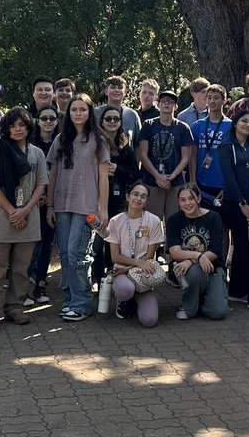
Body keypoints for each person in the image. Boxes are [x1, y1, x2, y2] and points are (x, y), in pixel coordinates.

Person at [0, 107, 48, 331]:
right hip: (4, 216)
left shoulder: (37, 153)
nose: (17, 129)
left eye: (21, 125)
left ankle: (15, 307)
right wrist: (13, 212)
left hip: (29, 217)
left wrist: (25, 210)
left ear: (29, 127)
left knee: (21, 269)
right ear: (6, 129)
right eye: (12, 125)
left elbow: (41, 185)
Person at [46, 93, 110, 321]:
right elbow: (52, 173)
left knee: (77, 253)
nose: (78, 113)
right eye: (74, 109)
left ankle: (82, 303)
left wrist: (103, 209)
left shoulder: (98, 140)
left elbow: (104, 177)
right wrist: (50, 205)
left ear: (89, 112)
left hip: (87, 207)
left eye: (83, 109)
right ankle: (70, 300)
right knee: (64, 254)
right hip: (62, 205)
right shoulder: (60, 139)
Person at [218, 113, 249, 313]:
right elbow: (229, 179)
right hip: (235, 204)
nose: (247, 125)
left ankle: (237, 290)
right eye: (243, 121)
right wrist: (242, 203)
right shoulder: (226, 147)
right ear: (235, 124)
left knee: (243, 247)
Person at [93, 104, 140, 285]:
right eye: (108, 119)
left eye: (116, 119)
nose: (112, 122)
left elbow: (135, 174)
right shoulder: (96, 144)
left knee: (116, 240)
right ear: (102, 122)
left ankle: (116, 275)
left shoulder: (125, 146)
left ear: (120, 122)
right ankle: (97, 277)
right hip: (98, 198)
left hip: (119, 199)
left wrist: (117, 169)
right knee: (98, 240)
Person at [106, 182, 165, 326]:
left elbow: (150, 256)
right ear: (127, 196)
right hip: (122, 271)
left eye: (143, 196)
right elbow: (115, 257)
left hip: (143, 272)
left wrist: (133, 267)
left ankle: (140, 295)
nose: (138, 199)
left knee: (149, 320)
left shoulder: (154, 221)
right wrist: (135, 264)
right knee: (125, 289)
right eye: (135, 194)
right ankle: (125, 300)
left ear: (147, 201)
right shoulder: (115, 221)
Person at [167, 185, 228, 320]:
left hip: (213, 268)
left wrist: (192, 260)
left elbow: (215, 251)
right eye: (182, 200)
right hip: (185, 269)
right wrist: (197, 257)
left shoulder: (214, 217)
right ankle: (189, 307)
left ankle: (201, 301)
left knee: (218, 312)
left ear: (199, 198)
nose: (187, 203)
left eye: (191, 198)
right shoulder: (174, 220)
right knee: (195, 272)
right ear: (178, 202)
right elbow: (175, 252)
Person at [135, 89, 194, 222]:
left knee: (173, 221)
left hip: (175, 182)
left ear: (176, 106)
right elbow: (143, 155)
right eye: (164, 101)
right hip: (152, 181)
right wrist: (158, 176)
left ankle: (172, 244)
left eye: (171, 102)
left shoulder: (183, 128)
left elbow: (186, 158)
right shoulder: (148, 125)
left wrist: (170, 178)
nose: (167, 104)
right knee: (152, 221)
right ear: (159, 104)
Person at [24, 104, 61, 306]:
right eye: (44, 118)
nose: (48, 122)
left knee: (47, 244)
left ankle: (40, 283)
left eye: (51, 119)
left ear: (57, 121)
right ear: (37, 121)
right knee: (32, 245)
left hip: (52, 203)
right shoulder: (29, 142)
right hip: (32, 203)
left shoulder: (61, 143)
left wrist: (51, 199)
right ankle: (24, 287)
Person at [189, 83, 231, 208]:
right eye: (209, 97)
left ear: (224, 100)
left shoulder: (231, 126)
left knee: (222, 225)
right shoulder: (197, 126)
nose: (212, 101)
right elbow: (193, 156)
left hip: (223, 184)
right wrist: (192, 180)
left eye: (216, 98)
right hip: (202, 183)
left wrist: (229, 185)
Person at [97, 75, 141, 141]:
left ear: (125, 92)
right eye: (113, 87)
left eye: (120, 88)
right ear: (106, 91)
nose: (116, 90)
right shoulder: (96, 113)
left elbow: (138, 143)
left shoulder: (132, 115)